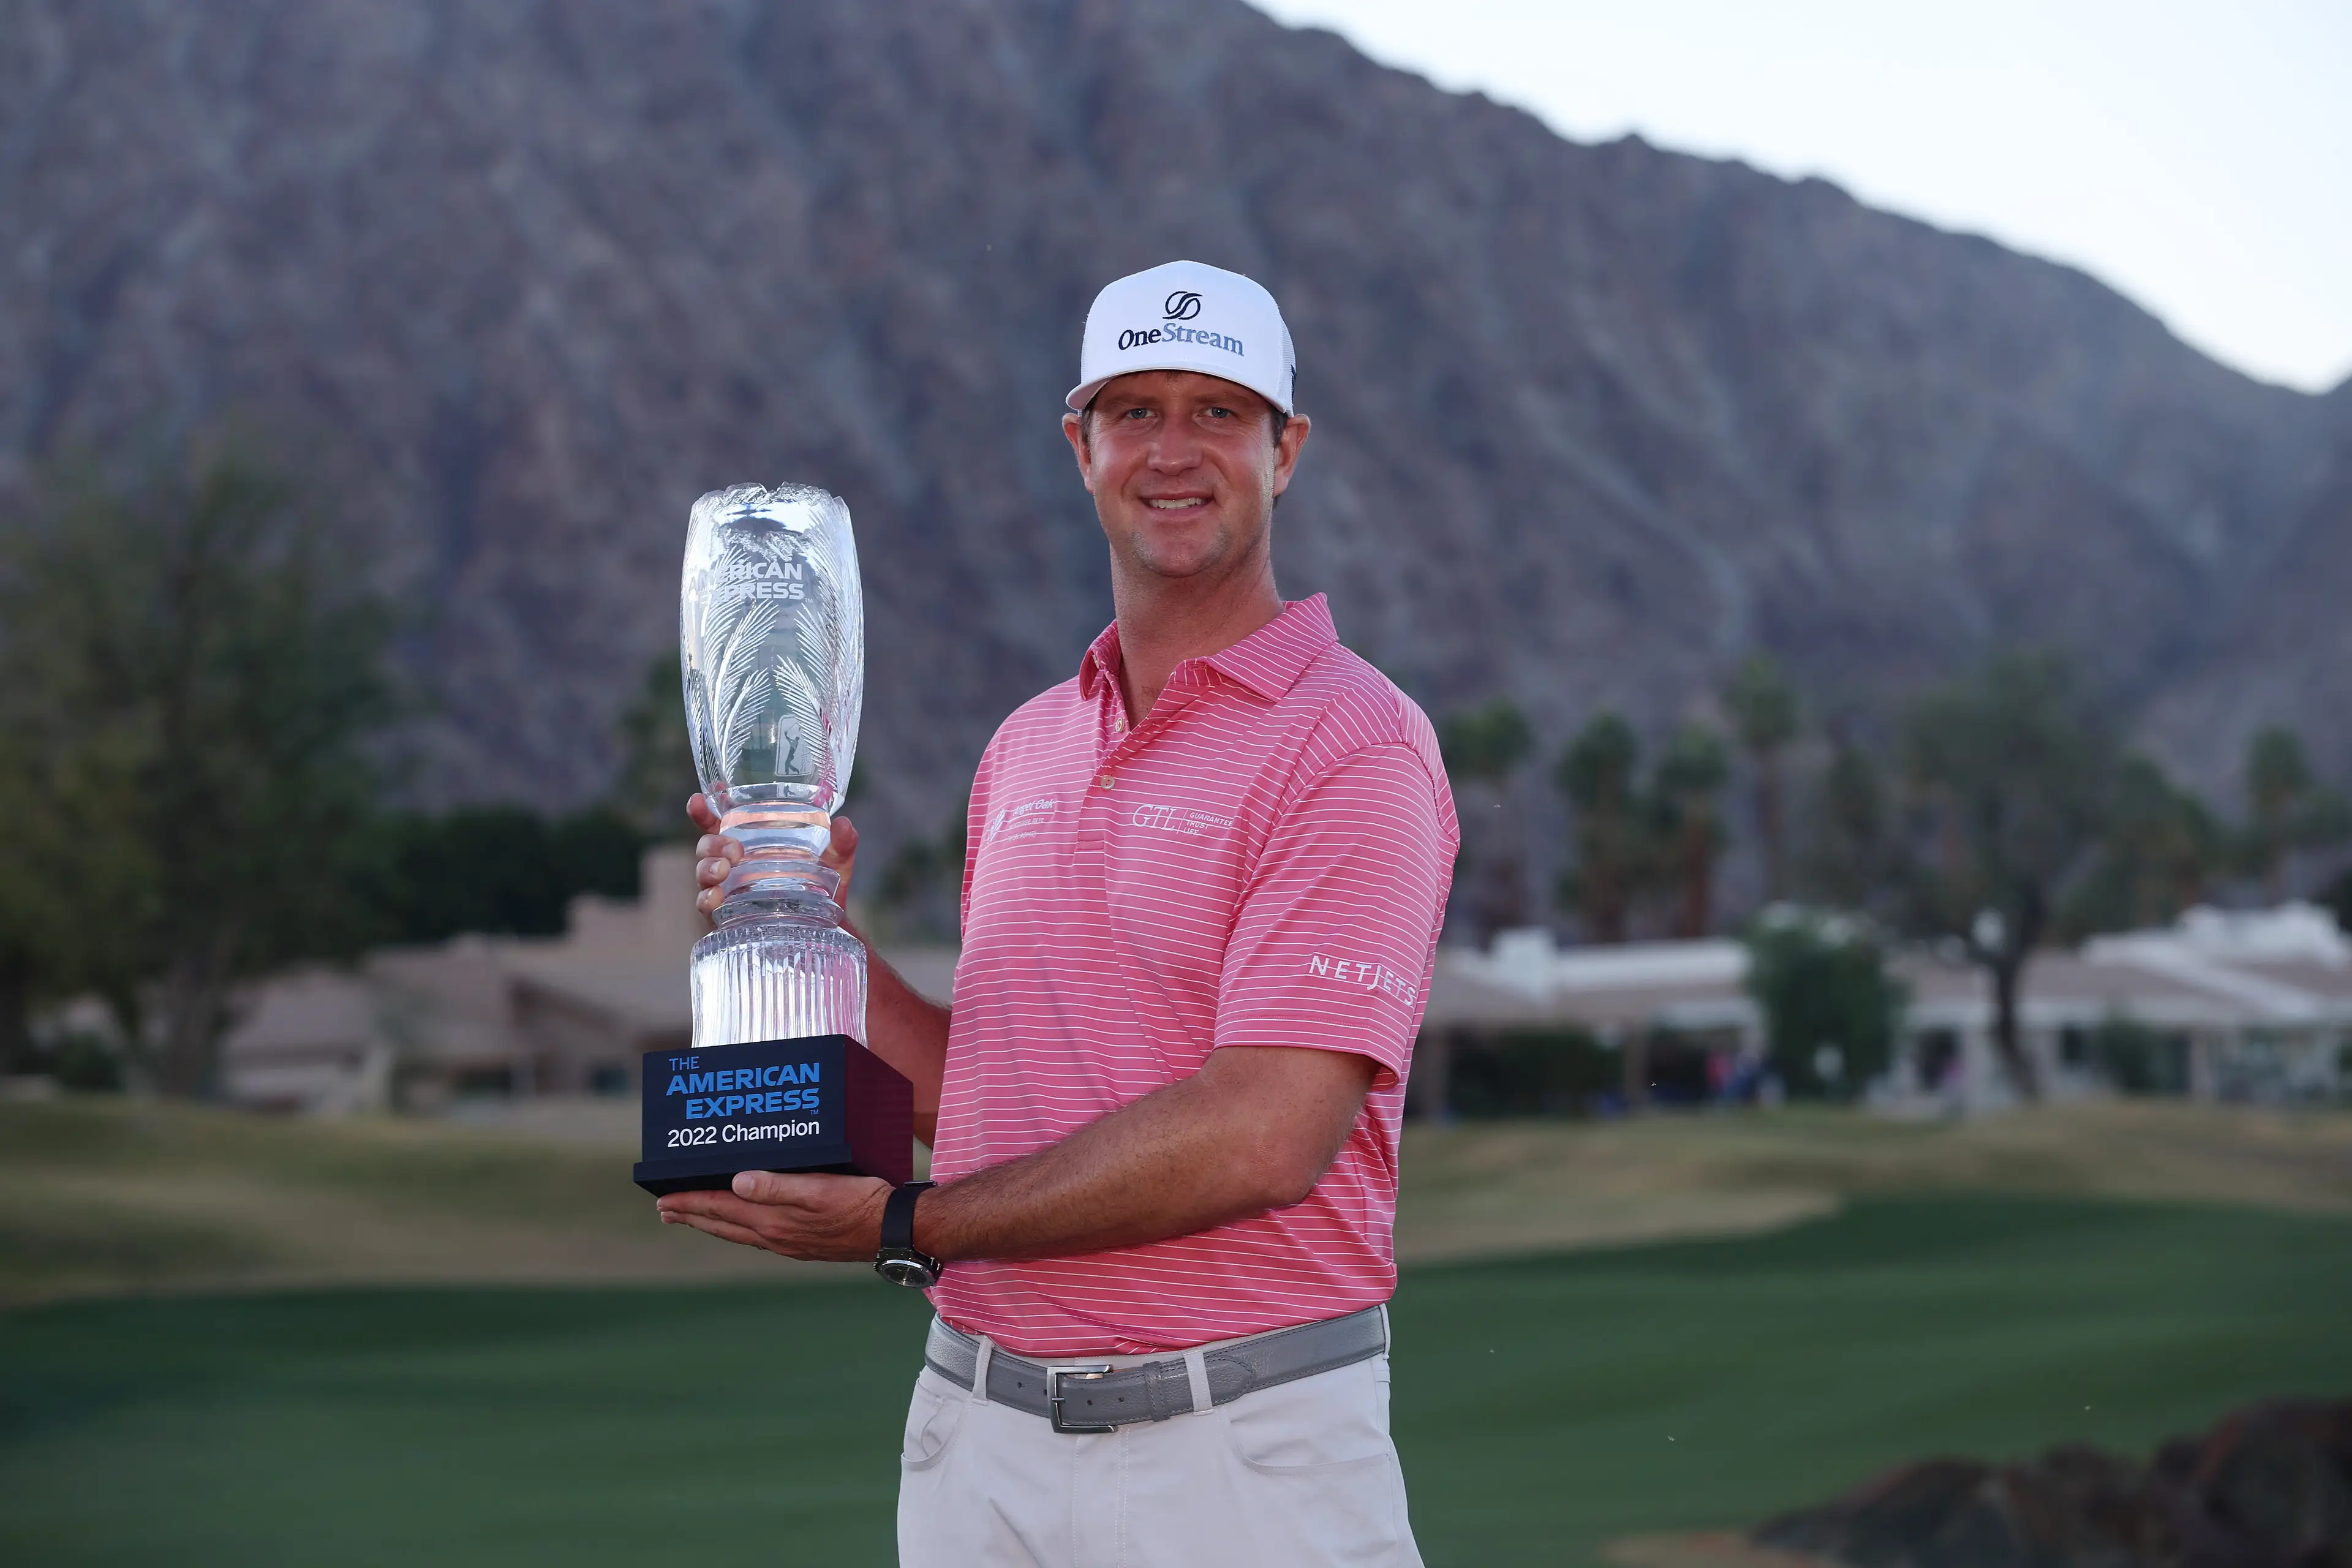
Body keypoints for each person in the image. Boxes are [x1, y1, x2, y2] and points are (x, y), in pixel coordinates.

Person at [658, 259, 1458, 1566]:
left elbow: (1265, 1133)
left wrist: (908, 1223)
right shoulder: (1029, 745)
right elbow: (990, 1086)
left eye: (1219, 411)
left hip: (1239, 1451)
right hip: (976, 1440)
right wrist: (802, 927)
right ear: (1079, 444)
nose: (1174, 450)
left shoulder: (1355, 742)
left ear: (1287, 448)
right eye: (1135, 409)